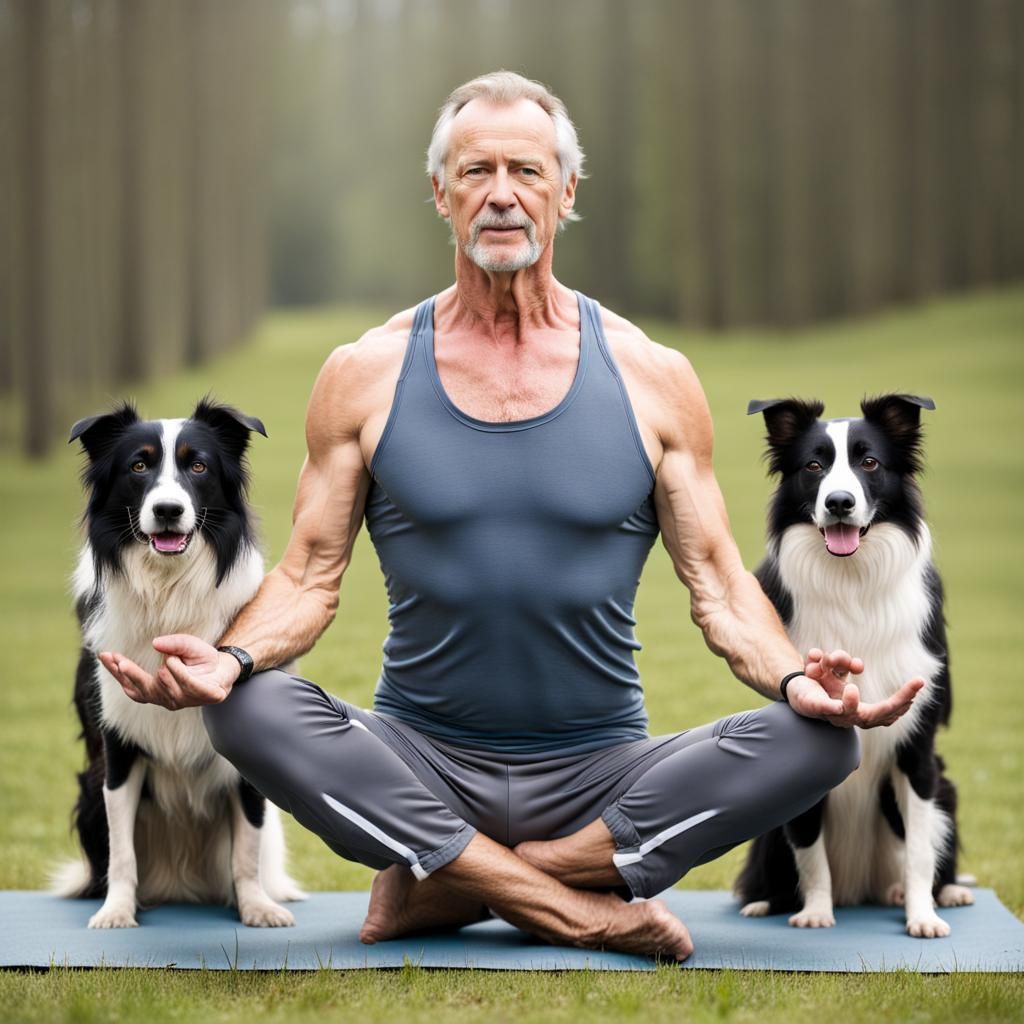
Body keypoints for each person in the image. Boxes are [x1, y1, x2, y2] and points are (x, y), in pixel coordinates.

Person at [100, 72, 923, 961]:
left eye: (526, 171)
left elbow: (721, 585)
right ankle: (575, 904)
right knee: (245, 711)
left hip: (602, 773)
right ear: (441, 192)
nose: (501, 194)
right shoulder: (364, 373)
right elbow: (306, 576)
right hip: (417, 763)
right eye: (476, 170)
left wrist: (797, 681)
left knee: (825, 745)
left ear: (566, 192)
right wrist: (228, 661)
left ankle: (454, 880)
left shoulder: (652, 377)